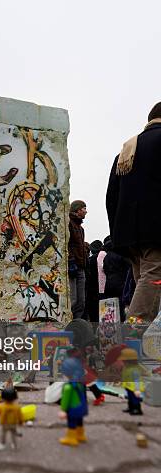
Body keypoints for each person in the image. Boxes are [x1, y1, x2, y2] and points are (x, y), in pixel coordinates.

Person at [106, 103, 161, 322]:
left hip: (130, 235)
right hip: (156, 229)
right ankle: (131, 338)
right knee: (154, 277)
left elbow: (111, 197)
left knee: (146, 284)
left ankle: (144, 343)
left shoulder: (126, 150)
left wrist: (118, 233)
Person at [68, 200, 88, 319]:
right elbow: (67, 244)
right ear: (77, 210)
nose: (86, 211)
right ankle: (69, 325)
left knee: (81, 301)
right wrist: (71, 260)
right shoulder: (69, 224)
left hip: (81, 267)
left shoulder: (80, 228)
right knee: (73, 300)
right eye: (84, 208)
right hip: (73, 267)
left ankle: (77, 326)